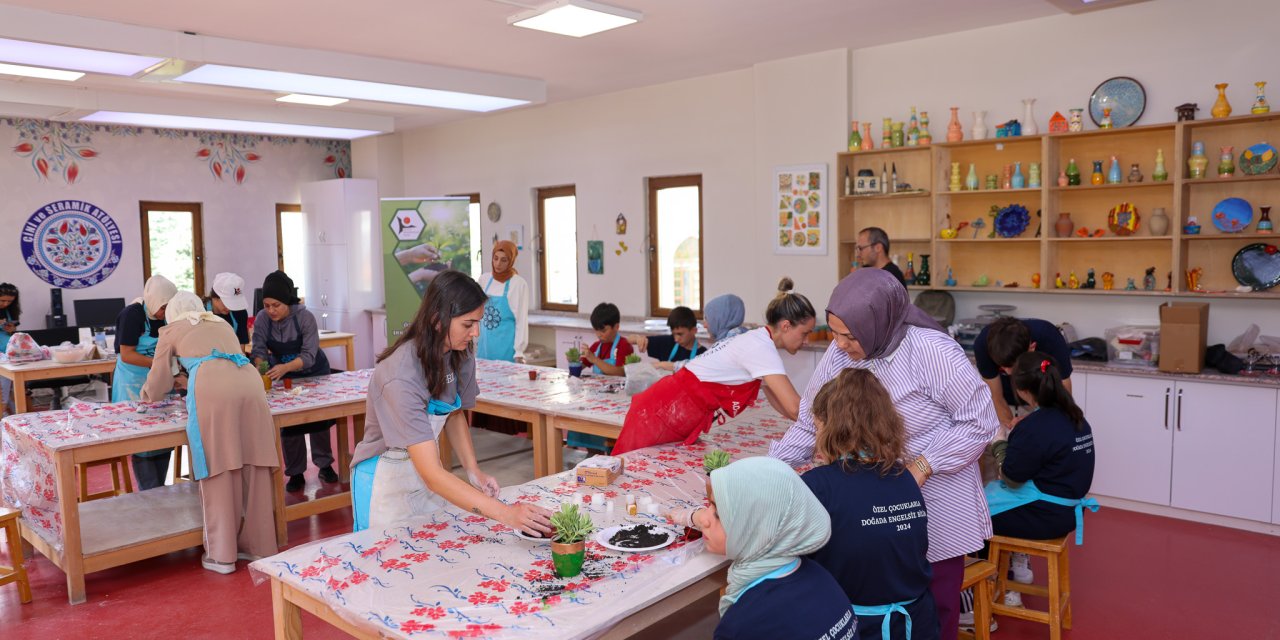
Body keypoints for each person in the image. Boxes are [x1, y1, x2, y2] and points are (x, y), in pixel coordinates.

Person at [770, 268, 998, 640]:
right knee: (869, 604)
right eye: (835, 334)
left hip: (937, 493)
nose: (840, 345)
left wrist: (921, 468)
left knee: (932, 610)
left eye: (849, 336)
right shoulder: (844, 348)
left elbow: (981, 422)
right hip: (873, 502)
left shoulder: (932, 352)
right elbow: (812, 421)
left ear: (879, 321)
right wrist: (771, 468)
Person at [350, 270, 553, 535]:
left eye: (478, 322)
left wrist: (473, 470)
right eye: (468, 324)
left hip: (424, 470)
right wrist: (507, 514)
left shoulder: (459, 352)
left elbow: (453, 412)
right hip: (384, 480)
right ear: (438, 320)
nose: (475, 332)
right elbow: (433, 476)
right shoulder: (401, 373)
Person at [139, 292, 278, 574]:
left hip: (213, 390)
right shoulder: (221, 323)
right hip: (251, 384)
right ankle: (259, 546)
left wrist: (146, 396)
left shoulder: (171, 329)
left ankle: (222, 555)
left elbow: (159, 379)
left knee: (220, 465)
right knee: (254, 462)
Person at [959, 352, 1098, 627]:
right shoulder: (1076, 417)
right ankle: (1008, 579)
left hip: (1045, 517)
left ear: (1021, 390)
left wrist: (1000, 442)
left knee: (972, 516)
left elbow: (1011, 477)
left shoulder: (1035, 427)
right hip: (1067, 512)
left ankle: (978, 608)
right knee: (987, 506)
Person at [804, 369, 939, 640]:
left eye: (816, 426)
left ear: (831, 427)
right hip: (918, 623)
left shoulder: (819, 485)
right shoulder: (903, 477)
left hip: (854, 627)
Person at [612, 278, 815, 455]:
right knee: (630, 472)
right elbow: (795, 407)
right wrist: (825, 433)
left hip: (672, 409)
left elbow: (781, 401)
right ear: (786, 326)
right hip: (662, 412)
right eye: (805, 333)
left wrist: (811, 429)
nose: (806, 341)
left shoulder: (758, 341)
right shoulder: (760, 347)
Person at [670, 457, 854, 640]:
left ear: (756, 525)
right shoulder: (821, 576)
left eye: (718, 513)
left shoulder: (743, 626)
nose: (704, 520)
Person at [251, 270, 337, 492]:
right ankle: (295, 472)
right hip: (283, 375)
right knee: (289, 425)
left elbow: (309, 355)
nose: (271, 310)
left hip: (314, 371)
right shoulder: (262, 319)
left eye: (276, 305)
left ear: (287, 301)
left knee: (319, 420)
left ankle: (325, 465)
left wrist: (285, 367)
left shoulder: (304, 317)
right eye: (267, 305)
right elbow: (259, 349)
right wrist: (261, 368)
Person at [113, 275, 178, 490]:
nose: (164, 312)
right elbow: (127, 354)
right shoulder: (132, 314)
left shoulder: (168, 316)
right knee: (143, 439)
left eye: (169, 307)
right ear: (153, 300)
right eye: (162, 307)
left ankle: (160, 488)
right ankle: (150, 492)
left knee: (164, 434)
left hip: (159, 378)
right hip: (133, 381)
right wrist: (158, 365)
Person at [973, 317, 1073, 430]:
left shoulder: (1049, 338)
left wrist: (1036, 421)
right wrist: (1013, 429)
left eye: (1013, 366)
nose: (1008, 373)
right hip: (1005, 403)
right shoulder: (984, 345)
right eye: (1002, 366)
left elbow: (1063, 393)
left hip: (1044, 402)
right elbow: (996, 397)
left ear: (1032, 348)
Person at [475, 240, 530, 363]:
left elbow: (521, 320)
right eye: (495, 258)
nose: (498, 264)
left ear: (511, 261)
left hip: (506, 350)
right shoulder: (484, 280)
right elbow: (476, 312)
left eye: (504, 260)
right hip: (484, 349)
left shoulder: (518, 284)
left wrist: (519, 352)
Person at [628, 306, 701, 371]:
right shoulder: (668, 342)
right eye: (674, 334)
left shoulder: (703, 354)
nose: (676, 339)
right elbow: (629, 339)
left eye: (680, 334)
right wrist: (638, 339)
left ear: (694, 330)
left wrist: (661, 364)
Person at [580, 302, 633, 376]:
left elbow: (621, 372)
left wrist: (595, 359)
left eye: (603, 331)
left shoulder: (624, 345)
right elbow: (580, 367)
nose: (598, 335)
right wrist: (573, 361)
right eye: (596, 330)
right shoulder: (596, 346)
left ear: (616, 327)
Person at [203, 272, 250, 348]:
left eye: (234, 303)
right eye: (228, 303)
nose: (230, 308)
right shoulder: (200, 312)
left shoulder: (240, 312)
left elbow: (241, 349)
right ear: (215, 298)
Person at [0, 282, 21, 415]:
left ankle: (12, 415)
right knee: (3, 387)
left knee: (10, 387)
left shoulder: (8, 311)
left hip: (7, 351)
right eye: (2, 300)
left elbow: (12, 332)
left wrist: (12, 329)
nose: (6, 304)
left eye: (9, 301)